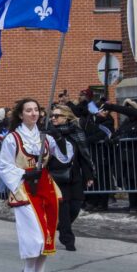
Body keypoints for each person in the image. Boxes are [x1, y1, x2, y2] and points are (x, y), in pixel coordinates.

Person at [0, 99, 72, 272]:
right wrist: (24, 174)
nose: (33, 113)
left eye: (36, 110)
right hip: (24, 187)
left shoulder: (46, 137)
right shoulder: (12, 138)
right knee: (34, 236)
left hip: (46, 186)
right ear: (21, 115)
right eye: (28, 110)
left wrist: (61, 137)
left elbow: (64, 158)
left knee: (47, 235)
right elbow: (3, 166)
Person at [47, 106, 95, 252]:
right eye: (52, 116)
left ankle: (61, 226)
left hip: (74, 175)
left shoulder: (76, 133)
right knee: (64, 207)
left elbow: (83, 156)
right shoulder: (49, 134)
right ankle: (68, 239)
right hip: (57, 176)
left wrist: (88, 175)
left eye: (57, 116)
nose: (53, 118)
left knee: (76, 205)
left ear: (66, 117)